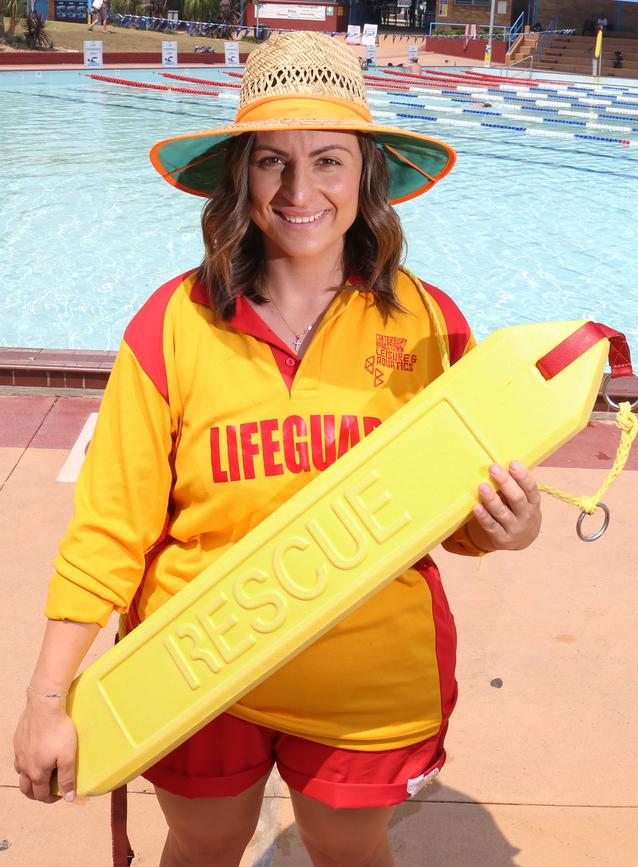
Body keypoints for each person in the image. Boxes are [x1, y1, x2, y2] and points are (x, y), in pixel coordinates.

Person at [13, 31, 542, 867]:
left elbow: (453, 509)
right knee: (203, 841)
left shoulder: (430, 324)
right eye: (272, 161)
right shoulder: (173, 324)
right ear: (240, 174)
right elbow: (109, 527)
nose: (301, 191)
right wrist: (48, 696)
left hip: (366, 669)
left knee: (346, 847)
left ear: (367, 172)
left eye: (328, 160)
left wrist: (507, 526)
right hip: (190, 658)